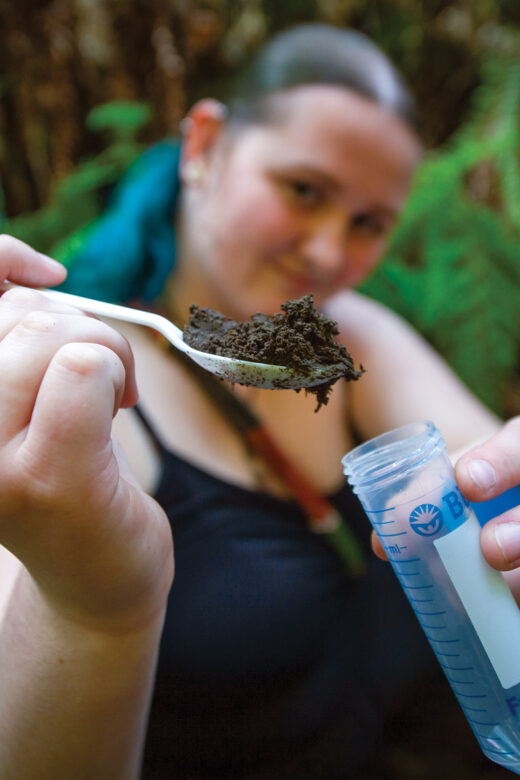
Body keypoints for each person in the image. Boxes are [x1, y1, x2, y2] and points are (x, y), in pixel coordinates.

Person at [1, 22, 519, 780]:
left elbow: (495, 502)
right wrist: (94, 610)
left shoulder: (356, 343)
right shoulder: (80, 398)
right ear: (204, 145)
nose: (326, 254)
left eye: (368, 223)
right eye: (304, 190)